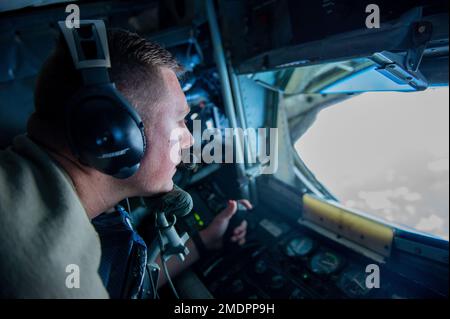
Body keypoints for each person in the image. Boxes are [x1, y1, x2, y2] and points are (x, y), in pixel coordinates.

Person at [0, 27, 248, 298]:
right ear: (111, 133)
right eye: (180, 120)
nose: (188, 139)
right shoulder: (52, 276)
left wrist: (202, 242)